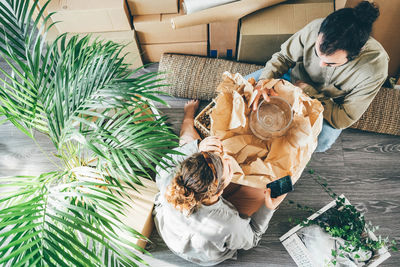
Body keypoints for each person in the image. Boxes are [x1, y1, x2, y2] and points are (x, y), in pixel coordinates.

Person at [153, 100, 286, 266]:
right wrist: (269, 208)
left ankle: (188, 117)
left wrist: (197, 146)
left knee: (188, 139)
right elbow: (252, 238)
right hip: (206, 254)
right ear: (218, 192)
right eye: (228, 168)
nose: (229, 161)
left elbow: (166, 162)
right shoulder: (227, 224)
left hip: (171, 233)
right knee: (266, 189)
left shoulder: (169, 179)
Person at [246, 1, 388, 152]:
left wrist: (307, 92)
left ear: (357, 52)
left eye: (331, 63)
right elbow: (283, 57)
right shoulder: (314, 28)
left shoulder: (374, 69)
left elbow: (344, 118)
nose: (320, 64)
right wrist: (264, 82)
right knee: (244, 88)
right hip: (294, 78)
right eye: (317, 53)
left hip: (329, 105)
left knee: (320, 143)